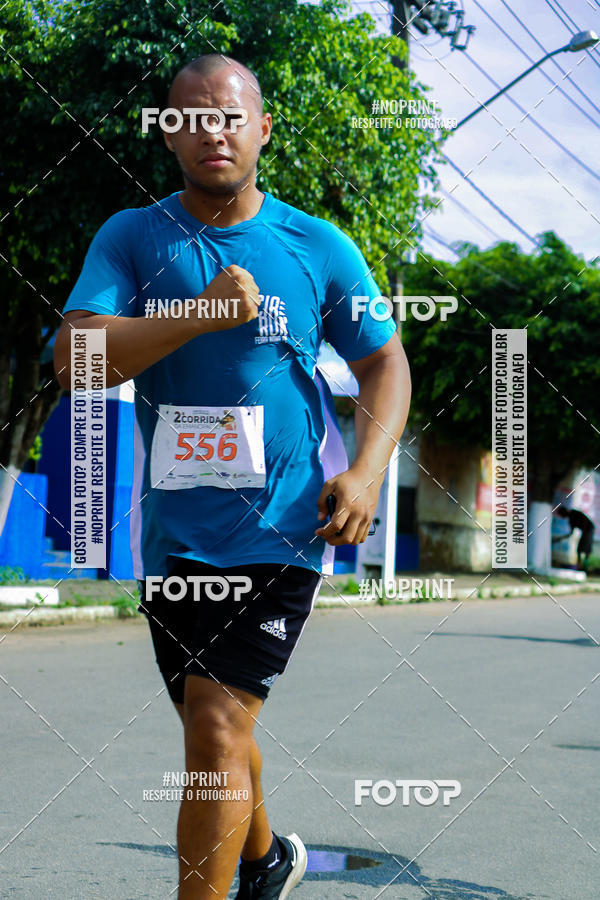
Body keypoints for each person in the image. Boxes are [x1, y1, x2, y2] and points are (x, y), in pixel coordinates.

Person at [53, 54, 410, 899]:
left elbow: (385, 362)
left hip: (283, 529)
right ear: (167, 134)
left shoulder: (316, 246)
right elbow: (74, 361)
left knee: (214, 729)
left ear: (263, 129)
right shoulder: (133, 238)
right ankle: (266, 859)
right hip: (176, 538)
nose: (212, 131)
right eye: (191, 117)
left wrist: (365, 472)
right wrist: (198, 314)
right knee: (214, 725)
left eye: (230, 115)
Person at [553, 505, 595, 572]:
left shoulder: (574, 513)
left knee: (586, 549)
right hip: (585, 531)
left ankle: (585, 568)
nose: (563, 517)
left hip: (589, 529)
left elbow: (585, 520)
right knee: (580, 549)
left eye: (562, 515)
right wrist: (560, 538)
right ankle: (580, 566)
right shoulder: (570, 520)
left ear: (564, 513)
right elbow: (571, 533)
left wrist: (584, 534)